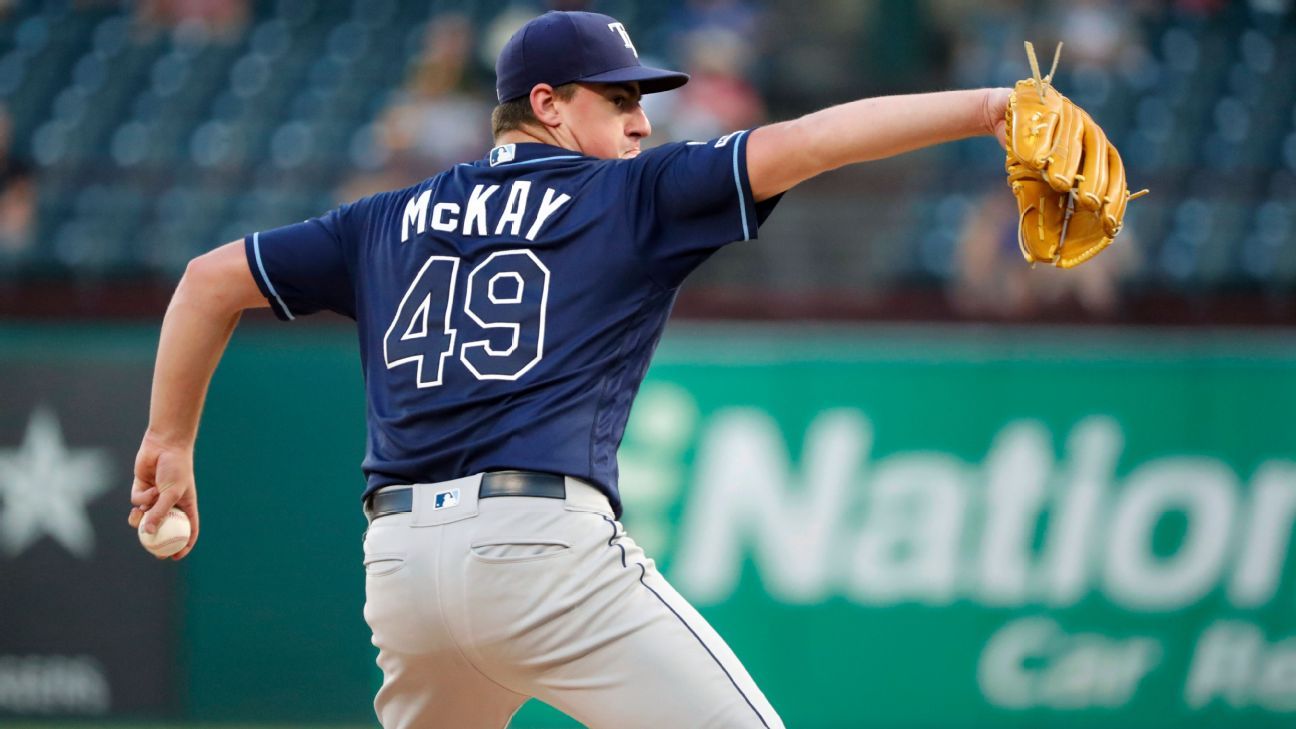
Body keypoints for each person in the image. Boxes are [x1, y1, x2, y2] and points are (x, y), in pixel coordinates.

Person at [128, 10, 1011, 728]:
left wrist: (170, 438)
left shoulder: (383, 217)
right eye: (621, 98)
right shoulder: (628, 194)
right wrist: (987, 109)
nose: (642, 122)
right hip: (541, 553)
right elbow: (811, 141)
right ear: (547, 104)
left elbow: (208, 281)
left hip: (399, 568)